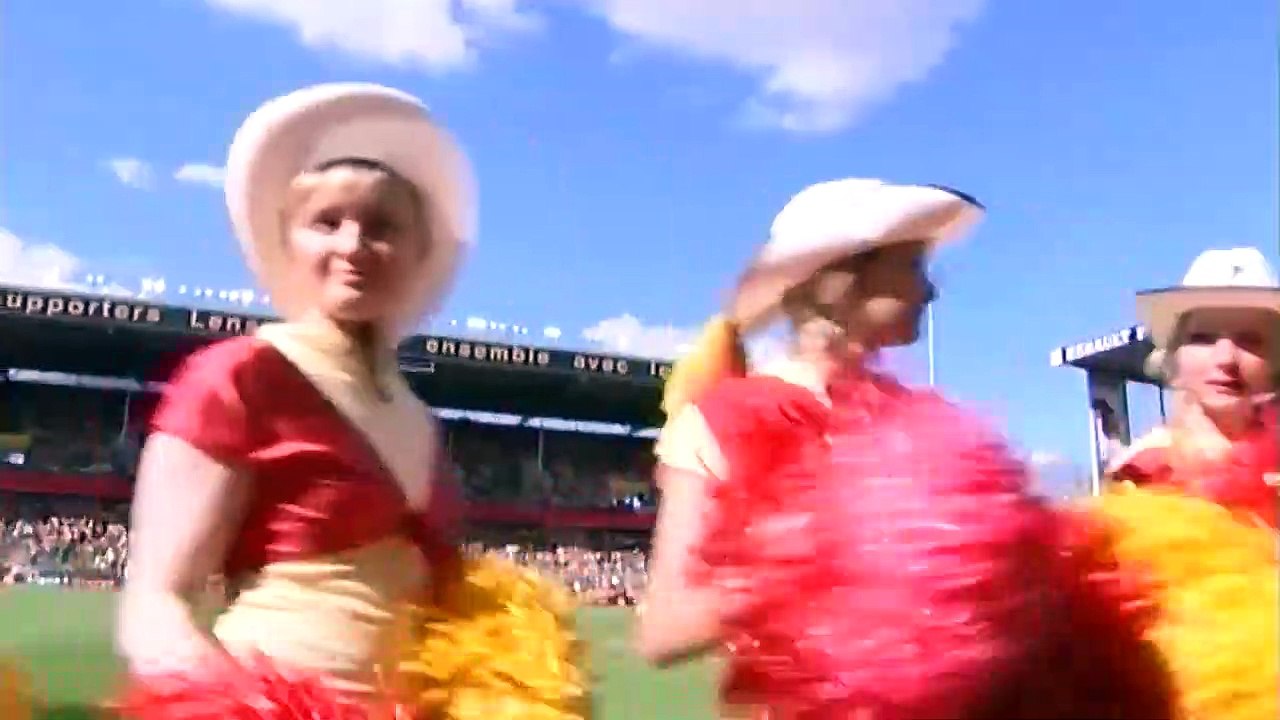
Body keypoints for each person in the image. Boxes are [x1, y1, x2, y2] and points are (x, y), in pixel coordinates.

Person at [114, 83, 587, 719]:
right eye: (327, 222)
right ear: (288, 240)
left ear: (419, 253)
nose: (354, 245)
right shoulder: (238, 376)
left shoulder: (420, 419)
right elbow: (153, 607)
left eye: (383, 227)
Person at [639, 179, 1169, 718]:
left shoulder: (935, 429)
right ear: (844, 279)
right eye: (914, 266)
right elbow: (664, 630)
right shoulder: (721, 419)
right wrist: (822, 555)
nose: (931, 291)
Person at [1087, 246, 1279, 720]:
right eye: (1204, 337)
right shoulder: (1140, 476)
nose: (1226, 359)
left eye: (1250, 339)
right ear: (1174, 354)